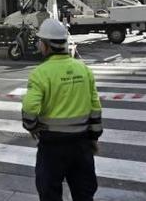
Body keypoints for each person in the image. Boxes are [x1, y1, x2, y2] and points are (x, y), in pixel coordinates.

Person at [22, 19, 103, 201]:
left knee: (50, 193)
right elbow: (95, 106)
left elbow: (29, 109)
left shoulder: (40, 73)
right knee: (84, 194)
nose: (38, 44)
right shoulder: (83, 69)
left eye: (40, 41)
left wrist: (32, 126)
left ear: (46, 45)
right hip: (82, 144)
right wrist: (94, 137)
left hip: (52, 146)